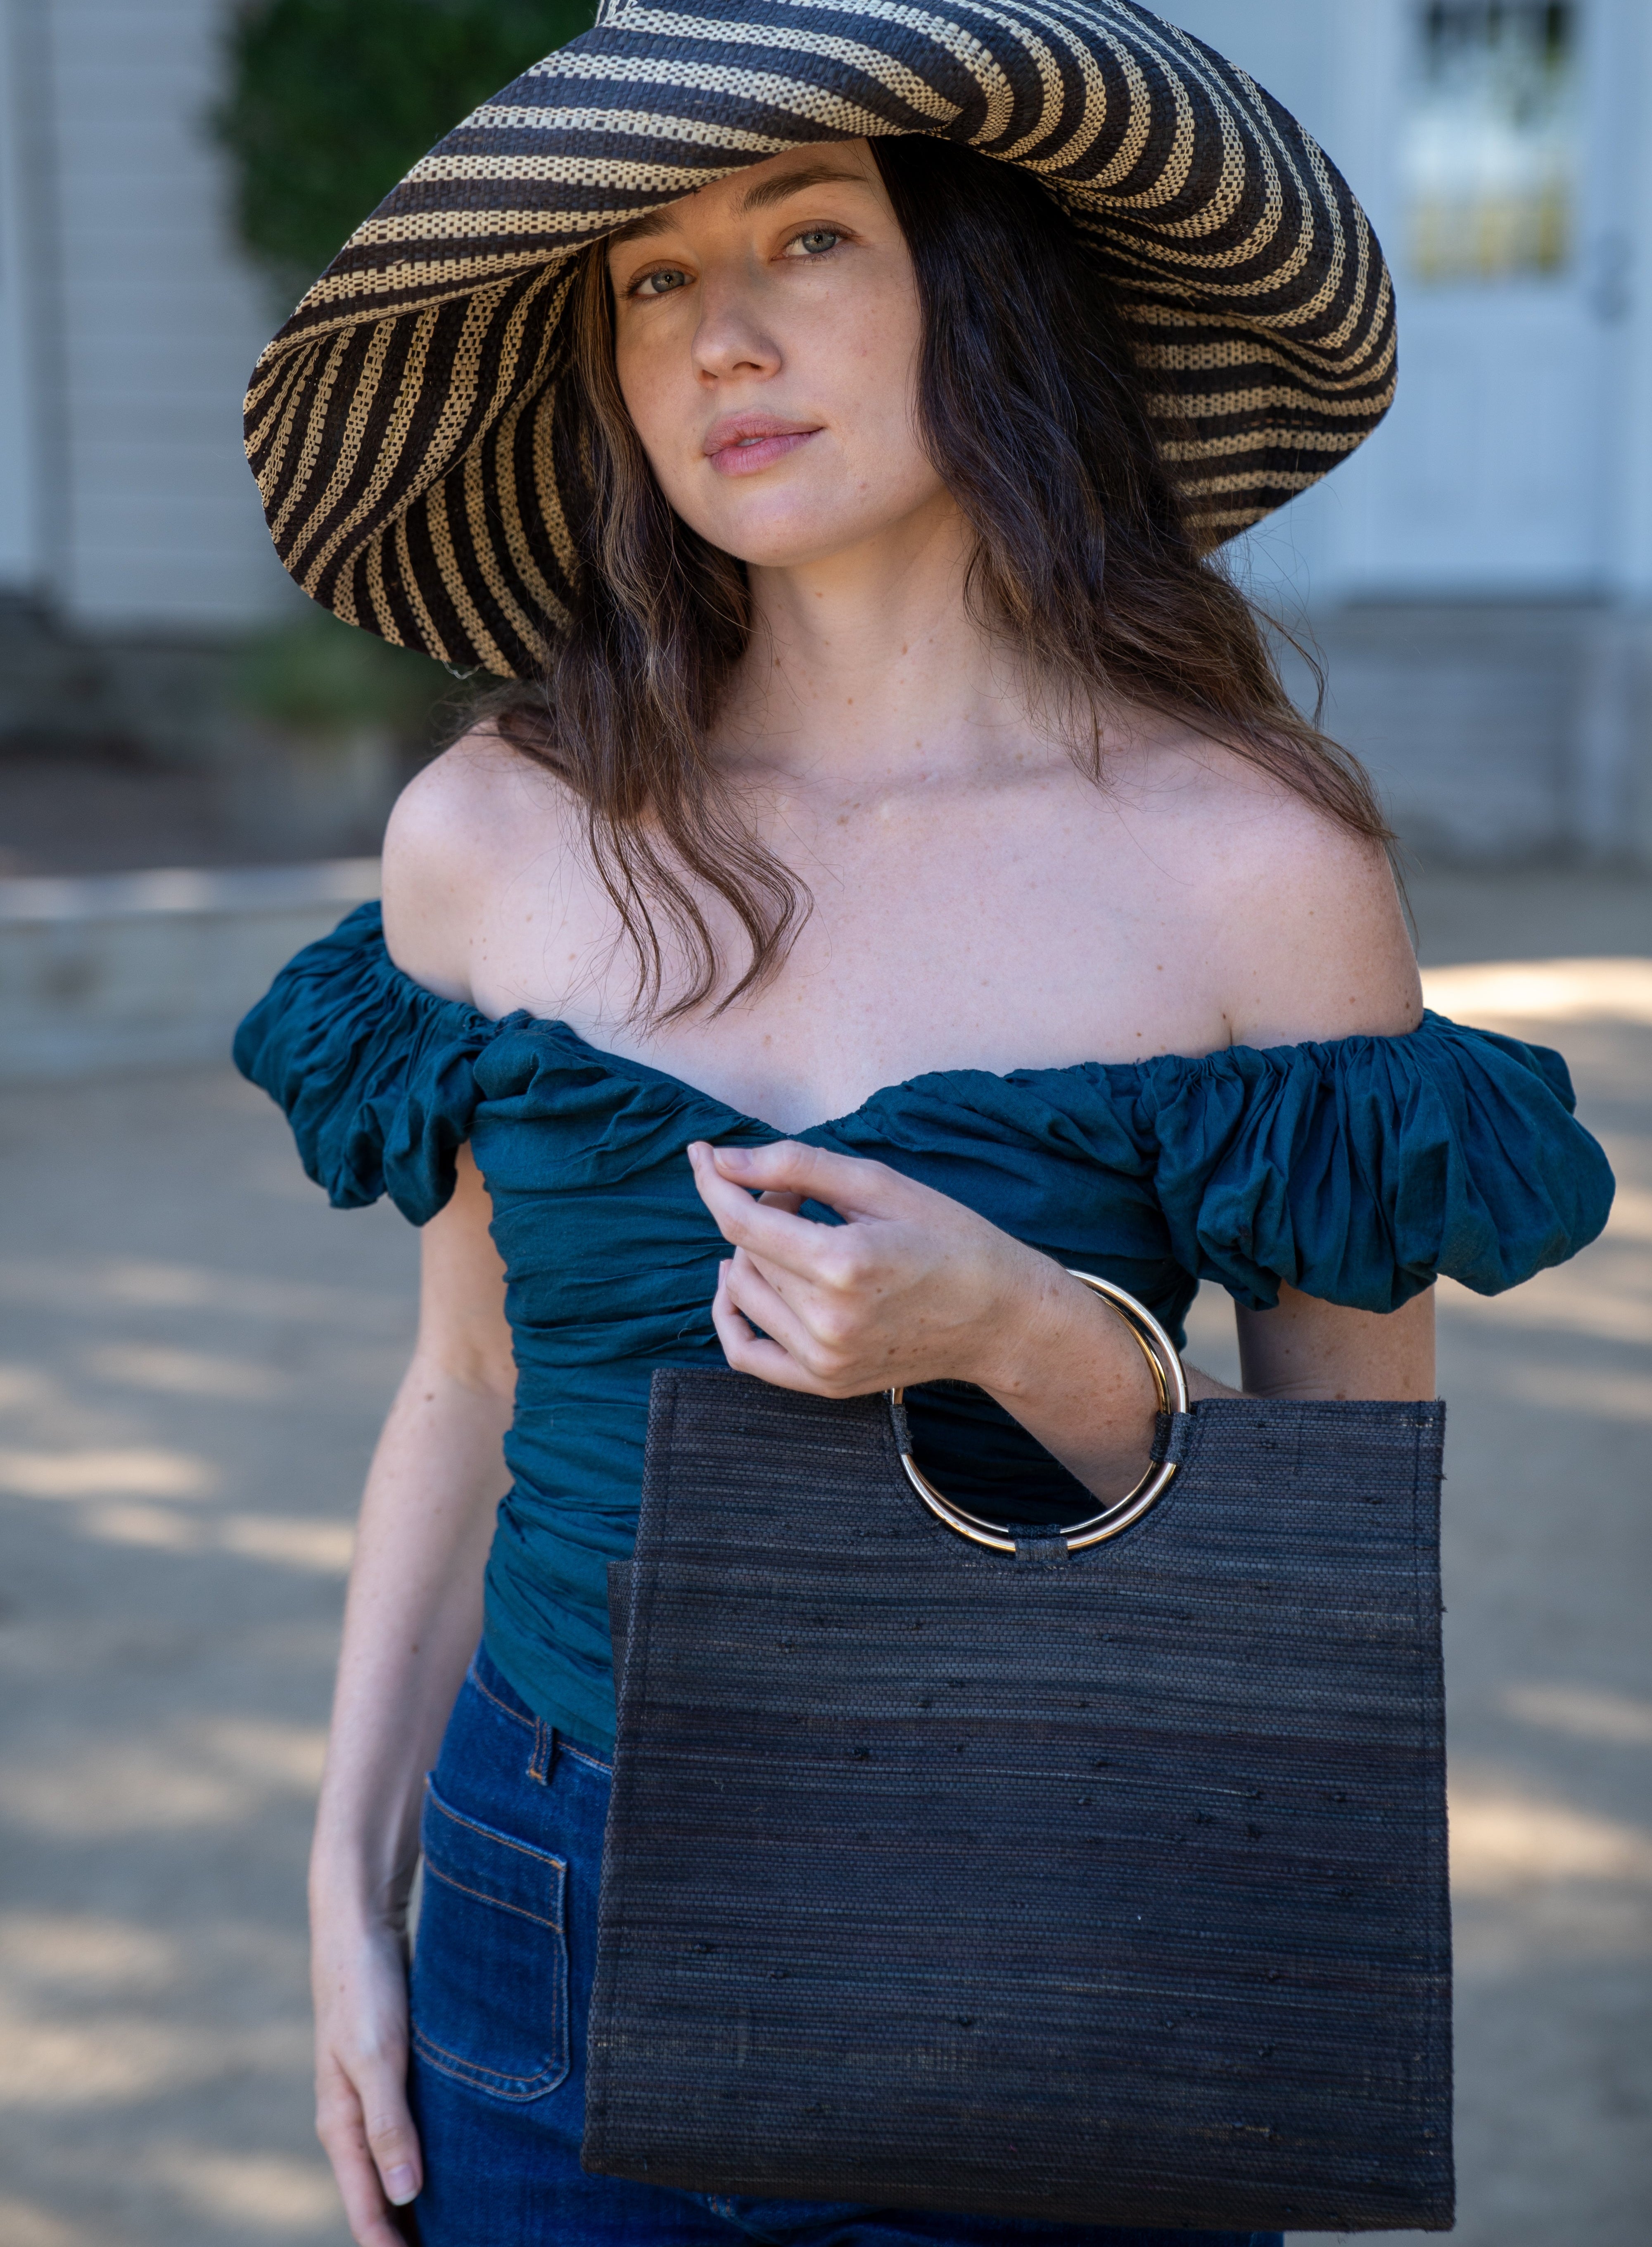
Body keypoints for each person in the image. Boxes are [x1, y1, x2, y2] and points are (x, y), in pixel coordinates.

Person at [235, 7, 1614, 2244]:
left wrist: (1026, 1336)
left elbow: (1333, 1573)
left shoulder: (1250, 864)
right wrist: (344, 1882)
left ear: (981, 291)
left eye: (810, 239)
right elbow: (461, 1381)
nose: (723, 338)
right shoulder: (488, 831)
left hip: (1060, 1908)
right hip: (539, 1893)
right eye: (654, 280)